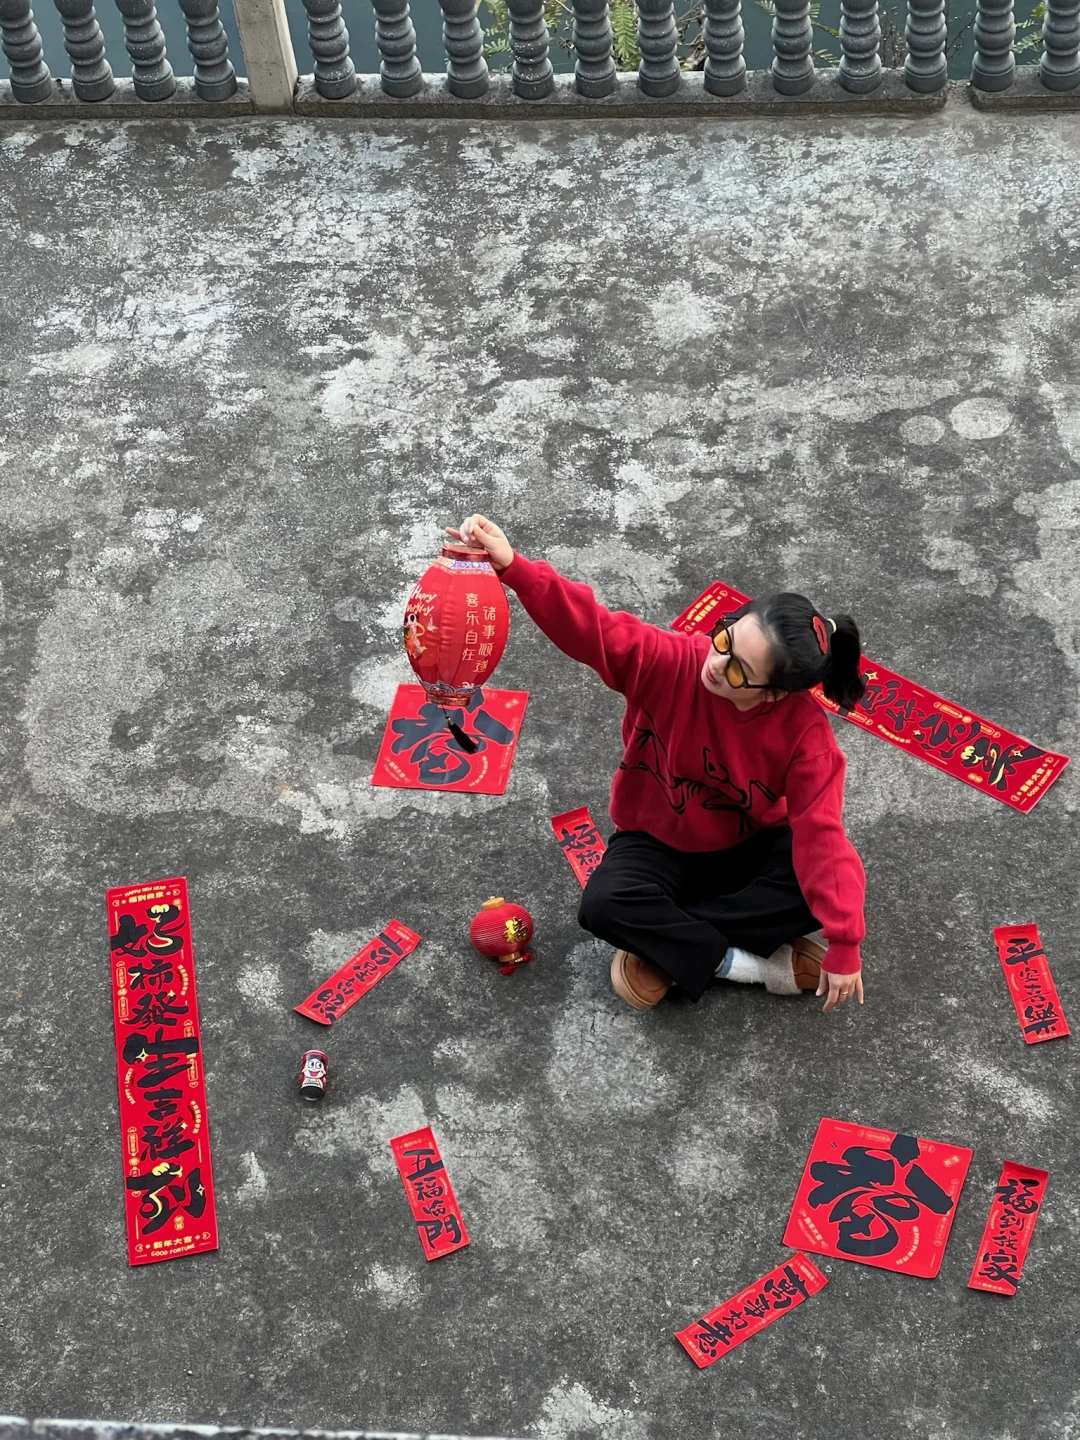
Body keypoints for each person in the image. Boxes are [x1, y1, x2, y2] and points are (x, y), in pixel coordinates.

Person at [448, 514, 867, 1015]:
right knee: (603, 907)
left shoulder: (806, 736)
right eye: (725, 638)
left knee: (820, 891)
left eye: (739, 669)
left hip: (748, 844)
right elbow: (594, 630)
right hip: (656, 839)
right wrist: (515, 567)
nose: (716, 663)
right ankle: (744, 965)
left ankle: (667, 945)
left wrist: (845, 944)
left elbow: (822, 835)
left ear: (774, 693)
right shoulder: (674, 661)